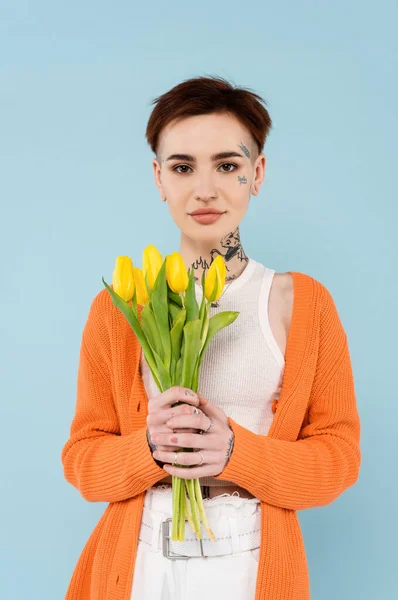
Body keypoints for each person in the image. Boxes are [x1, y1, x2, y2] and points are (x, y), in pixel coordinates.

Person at [61, 75, 362, 600]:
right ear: (158, 178)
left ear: (257, 173)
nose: (205, 189)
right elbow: (82, 462)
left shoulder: (303, 304)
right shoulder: (119, 307)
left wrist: (235, 454)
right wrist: (149, 447)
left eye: (228, 165)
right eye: (182, 167)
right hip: (140, 561)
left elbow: (338, 460)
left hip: (251, 558)